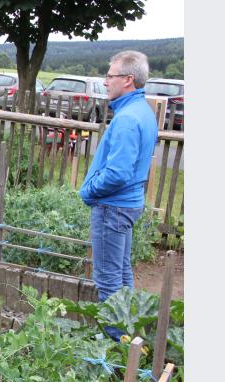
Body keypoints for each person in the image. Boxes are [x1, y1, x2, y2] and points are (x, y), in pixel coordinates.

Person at [79, 50, 158, 302]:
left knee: (108, 281)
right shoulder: (142, 111)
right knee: (122, 273)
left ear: (128, 79)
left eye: (110, 76)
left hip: (112, 207)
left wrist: (88, 191)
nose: (105, 81)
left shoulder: (127, 119)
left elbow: (118, 174)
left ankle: (115, 340)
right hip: (127, 205)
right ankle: (131, 334)